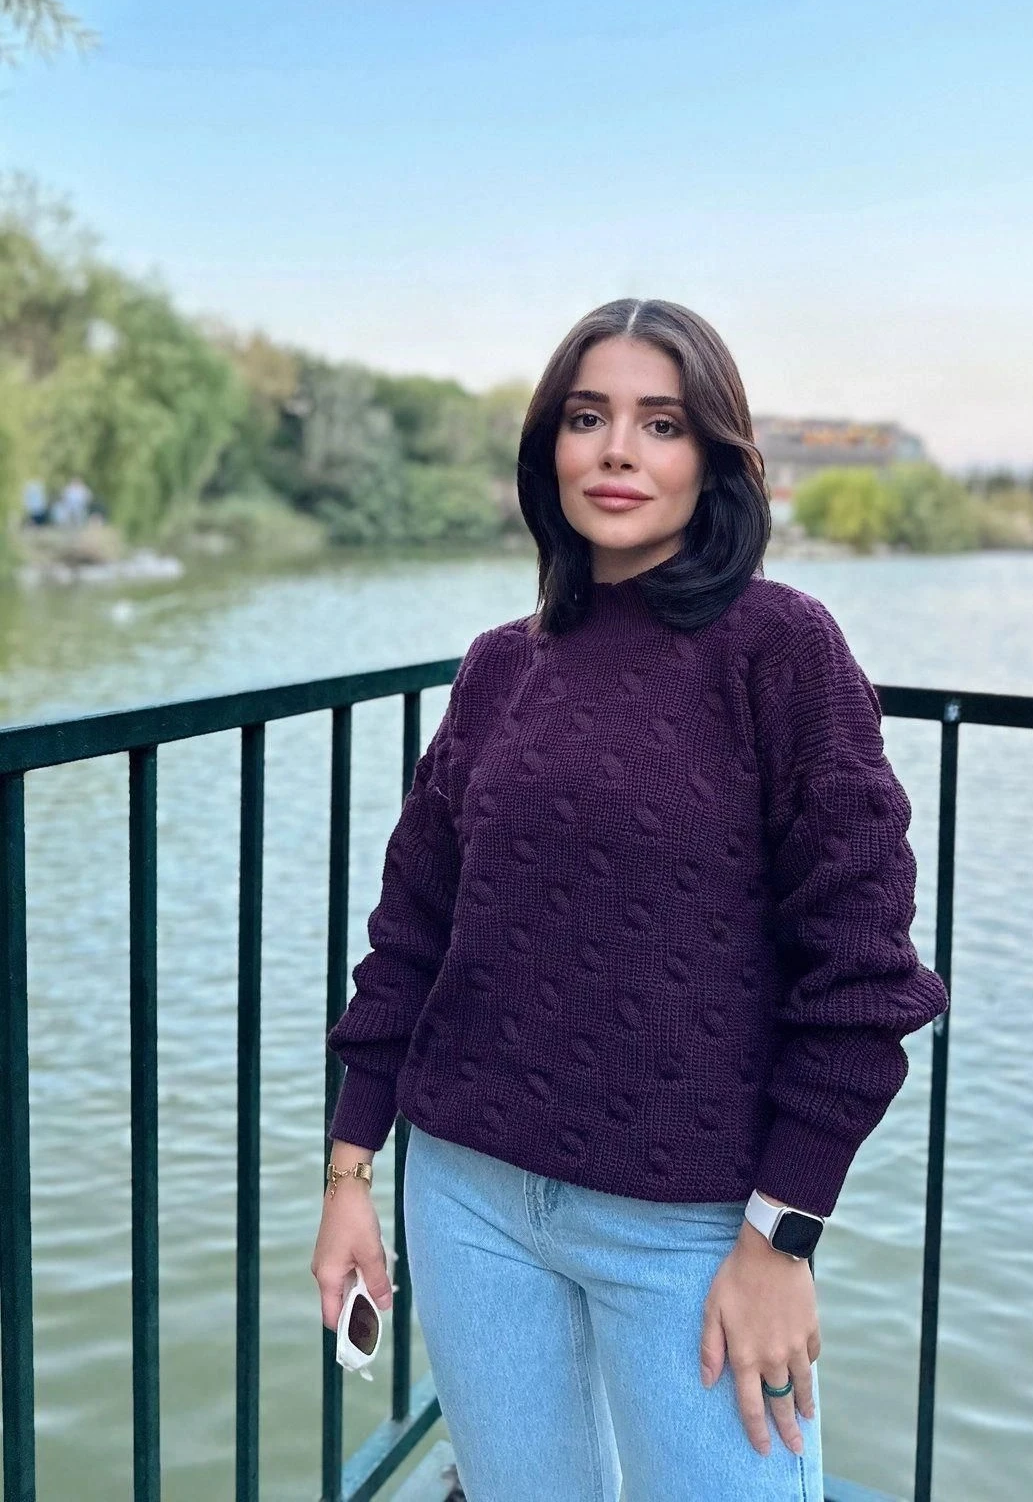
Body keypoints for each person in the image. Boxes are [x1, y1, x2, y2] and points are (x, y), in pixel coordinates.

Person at [312, 299, 949, 1501]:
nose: (617, 451)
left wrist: (782, 1238)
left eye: (661, 423)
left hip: (694, 1230)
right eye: (587, 418)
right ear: (548, 449)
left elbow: (863, 975)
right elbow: (410, 938)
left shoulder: (783, 651)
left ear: (713, 458)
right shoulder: (500, 667)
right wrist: (349, 1178)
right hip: (468, 1199)